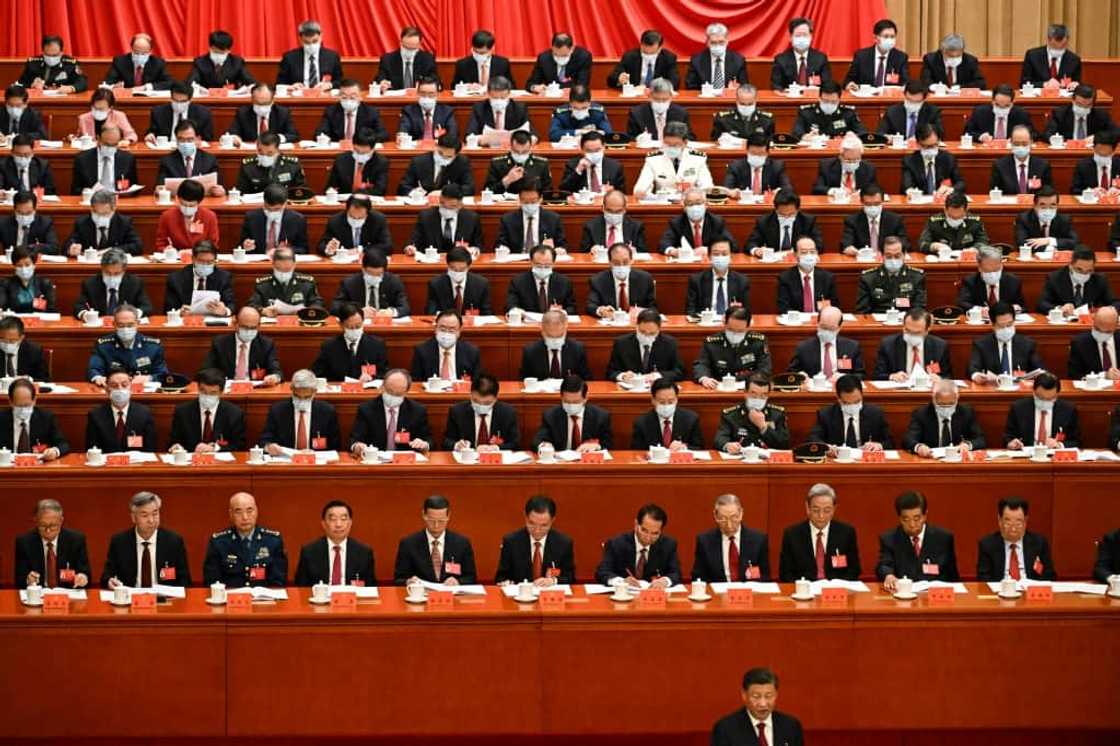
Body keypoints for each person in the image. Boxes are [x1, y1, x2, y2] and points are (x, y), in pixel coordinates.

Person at [100, 491, 191, 588]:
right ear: (133, 518)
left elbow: (185, 580)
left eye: (155, 514)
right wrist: (110, 581)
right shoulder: (119, 542)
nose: (151, 520)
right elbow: (106, 576)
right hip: (130, 599)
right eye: (145, 515)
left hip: (164, 600)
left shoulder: (173, 542)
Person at [876, 491, 959, 591]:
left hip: (935, 598)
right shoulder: (889, 539)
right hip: (902, 597)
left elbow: (952, 576)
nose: (912, 524)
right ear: (899, 518)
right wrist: (888, 575)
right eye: (906, 519)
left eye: (916, 519)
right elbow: (884, 565)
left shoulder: (943, 538)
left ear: (925, 515)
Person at [778, 483, 861, 581]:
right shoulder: (792, 535)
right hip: (804, 591)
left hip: (835, 591)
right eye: (816, 510)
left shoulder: (846, 533)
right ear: (807, 508)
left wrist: (837, 585)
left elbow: (854, 570)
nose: (821, 516)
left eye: (827, 510)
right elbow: (785, 573)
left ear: (834, 509)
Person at [203, 492, 288, 587]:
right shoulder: (219, 543)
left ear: (256, 511)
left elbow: (278, 583)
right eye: (238, 512)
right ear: (231, 514)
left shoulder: (273, 541)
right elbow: (212, 582)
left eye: (249, 510)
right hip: (230, 600)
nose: (245, 517)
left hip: (263, 599)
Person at [392, 495, 477, 585]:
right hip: (421, 596)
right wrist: (408, 581)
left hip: (451, 596)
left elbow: (471, 577)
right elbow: (398, 579)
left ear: (448, 516)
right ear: (424, 515)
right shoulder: (408, 544)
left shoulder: (462, 543)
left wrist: (458, 581)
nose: (436, 526)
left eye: (441, 521)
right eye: (431, 520)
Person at [710, 668, 804, 746]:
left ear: (776, 695)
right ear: (744, 695)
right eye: (756, 696)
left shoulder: (791, 726)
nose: (763, 703)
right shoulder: (725, 729)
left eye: (768, 696)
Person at [349, 368, 432, 455]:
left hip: (404, 462)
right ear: (382, 387)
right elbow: (354, 440)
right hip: (375, 462)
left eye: (398, 394)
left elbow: (428, 440)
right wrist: (357, 446)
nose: (393, 396)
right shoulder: (366, 409)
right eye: (389, 391)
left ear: (406, 392)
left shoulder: (417, 411)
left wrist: (424, 444)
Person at [495, 495, 575, 585]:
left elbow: (570, 577)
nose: (537, 530)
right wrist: (506, 583)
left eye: (544, 525)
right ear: (525, 517)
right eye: (532, 523)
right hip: (520, 597)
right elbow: (501, 577)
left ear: (552, 520)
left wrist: (553, 581)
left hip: (549, 596)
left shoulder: (563, 543)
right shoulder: (511, 541)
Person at [595, 504, 681, 586]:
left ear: (661, 531)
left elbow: (676, 573)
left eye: (655, 533)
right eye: (644, 530)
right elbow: (602, 572)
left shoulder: (668, 545)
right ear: (636, 524)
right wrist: (621, 581)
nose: (648, 537)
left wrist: (665, 581)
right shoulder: (617, 544)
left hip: (653, 597)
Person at [294, 500, 376, 587]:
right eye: (333, 519)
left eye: (343, 519)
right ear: (324, 524)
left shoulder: (364, 552)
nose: (338, 524)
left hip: (352, 599)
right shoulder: (309, 552)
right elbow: (301, 587)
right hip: (321, 599)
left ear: (350, 523)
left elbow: (370, 588)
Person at [691, 493, 769, 582]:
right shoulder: (705, 541)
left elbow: (764, 577)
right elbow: (698, 577)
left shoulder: (758, 540)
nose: (729, 524)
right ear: (715, 516)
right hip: (717, 594)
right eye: (723, 518)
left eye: (734, 518)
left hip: (748, 593)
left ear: (741, 514)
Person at [14, 499, 91, 589]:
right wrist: (28, 579)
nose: (48, 530)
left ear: (61, 521)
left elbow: (85, 573)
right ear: (36, 521)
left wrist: (82, 578)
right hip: (39, 595)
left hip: (67, 595)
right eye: (43, 525)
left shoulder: (76, 540)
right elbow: (19, 580)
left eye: (53, 525)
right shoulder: (24, 542)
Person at [259, 369, 341, 453]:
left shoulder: (327, 412)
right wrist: (269, 447)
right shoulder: (277, 410)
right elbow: (264, 441)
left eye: (306, 397)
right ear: (291, 389)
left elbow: (335, 447)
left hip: (316, 463)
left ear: (314, 392)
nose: (302, 400)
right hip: (286, 462)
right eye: (297, 396)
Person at [976, 497, 1056, 581]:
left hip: (1029, 591)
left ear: (1025, 521)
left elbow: (1050, 575)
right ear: (999, 520)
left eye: (1018, 522)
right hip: (1001, 591)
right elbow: (983, 579)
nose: (1013, 528)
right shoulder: (988, 545)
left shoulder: (1039, 543)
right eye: (1008, 522)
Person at [168, 368, 246, 453]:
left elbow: (239, 447)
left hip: (221, 463)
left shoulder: (234, 413)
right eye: (203, 391)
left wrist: (215, 449)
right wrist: (175, 447)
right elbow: (174, 442)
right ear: (198, 388)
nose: (207, 396)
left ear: (221, 392)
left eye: (213, 393)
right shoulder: (182, 412)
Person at [86, 304, 167, 384]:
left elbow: (162, 374)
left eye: (130, 325)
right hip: (113, 390)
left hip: (142, 392)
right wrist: (97, 377)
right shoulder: (103, 345)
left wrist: (149, 378)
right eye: (121, 325)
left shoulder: (153, 346)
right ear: (114, 324)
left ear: (138, 323)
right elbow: (93, 369)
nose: (125, 329)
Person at [807, 374, 893, 450]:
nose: (853, 406)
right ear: (838, 399)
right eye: (847, 403)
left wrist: (879, 445)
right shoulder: (826, 414)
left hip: (865, 461)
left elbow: (889, 442)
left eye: (857, 402)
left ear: (862, 394)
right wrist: (827, 447)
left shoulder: (875, 413)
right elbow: (813, 439)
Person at [200, 305, 282, 385]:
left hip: (254, 391)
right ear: (235, 323)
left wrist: (274, 377)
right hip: (227, 392)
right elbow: (206, 370)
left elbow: (276, 371)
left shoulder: (266, 344)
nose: (249, 331)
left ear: (259, 326)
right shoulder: (220, 343)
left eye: (253, 328)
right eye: (245, 327)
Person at [530, 375, 612, 451]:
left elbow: (608, 444)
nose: (571, 406)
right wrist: (544, 445)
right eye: (567, 402)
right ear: (561, 397)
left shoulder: (600, 416)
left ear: (585, 398)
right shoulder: (551, 416)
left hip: (587, 463)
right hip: (561, 464)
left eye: (576, 402)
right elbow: (537, 440)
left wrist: (596, 446)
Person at [902, 379, 986, 454]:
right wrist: (919, 447)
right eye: (941, 404)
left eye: (950, 404)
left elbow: (980, 439)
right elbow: (908, 440)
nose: (946, 408)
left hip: (957, 460)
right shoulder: (921, 413)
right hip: (931, 461)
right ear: (934, 398)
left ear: (957, 398)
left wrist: (968, 445)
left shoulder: (966, 412)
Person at [967, 301, 1045, 381]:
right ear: (993, 325)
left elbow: (1040, 370)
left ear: (1014, 321)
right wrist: (976, 376)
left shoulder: (1027, 344)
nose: (1006, 329)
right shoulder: (981, 344)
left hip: (1019, 390)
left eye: (1009, 324)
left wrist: (1041, 375)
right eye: (1001, 326)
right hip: (993, 389)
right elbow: (973, 369)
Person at [312, 302, 389, 382]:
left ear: (363, 322)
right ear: (341, 325)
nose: (355, 330)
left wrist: (372, 378)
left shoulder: (376, 345)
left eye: (358, 326)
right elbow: (317, 374)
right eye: (350, 327)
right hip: (340, 391)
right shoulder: (329, 346)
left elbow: (384, 373)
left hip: (366, 390)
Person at [714, 373, 790, 452]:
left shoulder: (777, 414)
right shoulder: (730, 415)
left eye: (763, 395)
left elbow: (784, 444)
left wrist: (763, 427)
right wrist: (728, 446)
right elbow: (720, 439)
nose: (758, 399)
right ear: (745, 393)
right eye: (754, 394)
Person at [694, 306, 771, 385]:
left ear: (748, 327)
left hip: (748, 387)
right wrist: (704, 378)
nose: (735, 334)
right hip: (718, 387)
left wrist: (749, 382)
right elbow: (701, 364)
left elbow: (765, 369)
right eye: (731, 329)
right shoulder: (712, 342)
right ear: (724, 323)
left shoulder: (758, 342)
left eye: (740, 331)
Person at [83, 369, 157, 451]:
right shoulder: (96, 415)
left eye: (124, 385)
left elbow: (150, 449)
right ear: (107, 390)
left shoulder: (144, 413)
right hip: (106, 462)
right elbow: (92, 449)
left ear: (131, 388)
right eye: (114, 386)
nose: (120, 389)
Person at [606, 308, 685, 383]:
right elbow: (611, 372)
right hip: (631, 389)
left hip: (657, 388)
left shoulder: (669, 343)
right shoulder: (621, 343)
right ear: (636, 326)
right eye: (642, 332)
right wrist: (622, 376)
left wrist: (658, 375)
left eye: (652, 334)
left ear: (659, 329)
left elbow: (679, 372)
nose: (646, 336)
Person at [443, 372, 520, 451]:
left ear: (496, 398)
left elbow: (515, 444)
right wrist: (456, 445)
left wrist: (497, 448)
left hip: (495, 461)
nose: (481, 406)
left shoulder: (507, 413)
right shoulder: (457, 411)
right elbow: (446, 441)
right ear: (471, 395)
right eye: (476, 401)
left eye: (487, 403)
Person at [633, 121, 712, 196]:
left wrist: (695, 194)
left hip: (689, 201)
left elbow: (707, 186)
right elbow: (641, 186)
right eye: (667, 144)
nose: (671, 148)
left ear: (685, 143)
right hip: (663, 204)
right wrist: (641, 192)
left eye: (676, 145)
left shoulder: (697, 158)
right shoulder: (653, 159)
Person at [872, 307, 953, 380]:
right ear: (903, 326)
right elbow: (877, 375)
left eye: (917, 333)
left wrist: (939, 378)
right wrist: (892, 376)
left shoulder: (939, 346)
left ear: (928, 330)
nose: (911, 336)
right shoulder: (888, 345)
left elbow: (948, 376)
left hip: (928, 392)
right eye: (908, 331)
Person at [1002, 373, 1080, 449]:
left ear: (1057, 395)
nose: (1044, 402)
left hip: (1054, 456)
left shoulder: (1068, 410)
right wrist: (1011, 443)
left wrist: (1059, 445)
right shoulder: (1018, 408)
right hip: (1026, 456)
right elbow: (1008, 437)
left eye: (1049, 399)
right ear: (1033, 391)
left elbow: (1076, 441)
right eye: (1040, 398)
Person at [788, 305, 864, 380]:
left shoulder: (851, 347)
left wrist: (845, 378)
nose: (827, 331)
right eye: (823, 327)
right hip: (815, 389)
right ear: (817, 324)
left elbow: (860, 374)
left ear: (839, 328)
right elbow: (791, 373)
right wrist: (800, 376)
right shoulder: (804, 348)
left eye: (831, 328)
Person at [331, 248, 410, 318]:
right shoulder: (350, 283)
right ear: (363, 269)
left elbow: (405, 308)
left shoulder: (394, 281)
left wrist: (391, 312)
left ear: (384, 271)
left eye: (379, 274)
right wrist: (357, 312)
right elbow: (335, 308)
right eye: (370, 274)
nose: (374, 277)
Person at [73, 247, 151, 318]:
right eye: (107, 273)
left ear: (124, 271)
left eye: (116, 273)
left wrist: (132, 315)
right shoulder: (90, 284)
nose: (112, 277)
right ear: (102, 268)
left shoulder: (134, 283)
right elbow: (78, 307)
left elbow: (146, 307)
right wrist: (86, 315)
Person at [163, 240, 233, 317]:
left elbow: (231, 305)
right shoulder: (176, 278)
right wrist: (179, 312)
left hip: (213, 322)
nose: (205, 265)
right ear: (193, 259)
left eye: (210, 262)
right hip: (187, 323)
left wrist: (224, 311)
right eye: (201, 261)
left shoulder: (223, 277)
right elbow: (169, 308)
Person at [405, 186, 484, 254]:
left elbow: (479, 246)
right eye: (442, 204)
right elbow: (415, 241)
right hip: (432, 264)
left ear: (460, 204)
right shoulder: (426, 217)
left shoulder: (471, 218)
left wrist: (475, 249)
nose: (446, 209)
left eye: (452, 206)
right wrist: (411, 248)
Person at [0, 378, 67, 458]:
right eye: (19, 406)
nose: (22, 410)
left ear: (34, 401)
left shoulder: (46, 418)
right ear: (10, 402)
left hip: (38, 466)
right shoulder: (2, 419)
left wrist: (55, 451)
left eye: (26, 405)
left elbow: (63, 445)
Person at [1038, 245, 1116, 314]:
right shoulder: (1055, 278)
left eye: (1089, 271)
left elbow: (1116, 303)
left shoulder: (1099, 280)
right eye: (1079, 270)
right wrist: (1060, 309)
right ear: (1070, 265)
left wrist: (1104, 311)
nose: (1083, 274)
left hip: (1089, 324)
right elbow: (1042, 304)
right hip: (1065, 324)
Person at [745, 189, 824, 257]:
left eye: (791, 214)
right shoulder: (764, 221)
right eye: (782, 215)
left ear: (797, 210)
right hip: (774, 264)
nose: (786, 218)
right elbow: (750, 244)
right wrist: (756, 250)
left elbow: (819, 245)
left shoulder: (807, 221)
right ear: (776, 210)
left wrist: (803, 252)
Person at [629, 379, 704, 450]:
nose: (666, 406)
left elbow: (699, 447)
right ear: (653, 400)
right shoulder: (641, 423)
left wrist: (684, 447)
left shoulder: (691, 419)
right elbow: (636, 452)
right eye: (662, 402)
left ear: (677, 399)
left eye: (671, 402)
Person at [246, 247, 324, 315]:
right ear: (273, 265)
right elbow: (251, 305)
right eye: (279, 269)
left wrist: (307, 311)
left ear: (294, 265)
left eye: (287, 270)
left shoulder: (306, 283)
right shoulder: (263, 284)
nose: (283, 273)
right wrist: (263, 311)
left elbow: (317, 303)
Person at [586, 242, 657, 317]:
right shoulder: (598, 280)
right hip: (611, 325)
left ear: (631, 260)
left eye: (625, 262)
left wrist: (642, 312)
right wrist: (601, 310)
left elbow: (653, 308)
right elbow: (591, 306)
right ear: (610, 262)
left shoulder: (645, 279)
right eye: (616, 263)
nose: (621, 266)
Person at [854, 237, 923, 312]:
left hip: (906, 321)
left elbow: (919, 310)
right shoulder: (868, 278)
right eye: (889, 256)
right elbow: (862, 311)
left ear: (904, 255)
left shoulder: (917, 277)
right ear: (882, 256)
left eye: (897, 256)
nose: (893, 260)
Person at [659, 188, 736, 255]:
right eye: (690, 204)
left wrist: (708, 250)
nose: (695, 207)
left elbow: (733, 246)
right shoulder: (677, 223)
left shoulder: (716, 222)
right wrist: (673, 251)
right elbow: (663, 244)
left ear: (705, 205)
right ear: (684, 207)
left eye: (698, 203)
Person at [409, 310, 481, 381]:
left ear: (459, 331)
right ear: (435, 329)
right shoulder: (422, 351)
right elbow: (416, 382)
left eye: (451, 330)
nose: (446, 333)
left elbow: (476, 384)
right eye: (442, 329)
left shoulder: (471, 352)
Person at [518, 310, 591, 381]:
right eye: (550, 336)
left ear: (565, 330)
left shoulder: (577, 349)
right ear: (542, 332)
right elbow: (523, 381)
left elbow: (586, 380)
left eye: (559, 336)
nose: (555, 341)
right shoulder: (530, 351)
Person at [495, 179, 565, 253]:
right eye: (525, 201)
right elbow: (500, 244)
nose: (529, 205)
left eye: (533, 201)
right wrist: (503, 249)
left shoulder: (553, 219)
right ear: (519, 199)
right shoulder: (508, 220)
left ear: (540, 199)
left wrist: (559, 250)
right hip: (517, 261)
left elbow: (561, 245)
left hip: (542, 260)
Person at [157, 120, 224, 195]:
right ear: (176, 140)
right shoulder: (167, 161)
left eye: (190, 139)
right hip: (177, 202)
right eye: (181, 139)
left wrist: (219, 191)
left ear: (198, 139)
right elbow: (160, 187)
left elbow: (219, 187)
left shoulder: (210, 160)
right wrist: (159, 190)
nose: (185, 143)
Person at [685, 238, 749, 316]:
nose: (720, 257)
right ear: (709, 256)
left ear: (731, 256)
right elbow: (690, 312)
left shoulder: (741, 281)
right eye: (716, 254)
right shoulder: (696, 280)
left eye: (724, 254)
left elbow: (745, 313)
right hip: (705, 325)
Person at [775, 237, 840, 314]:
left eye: (812, 252)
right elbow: (784, 307)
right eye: (804, 252)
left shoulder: (827, 278)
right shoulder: (785, 278)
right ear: (795, 255)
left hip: (820, 321)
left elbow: (834, 306)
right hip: (796, 322)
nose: (809, 256)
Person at [505, 244, 576, 314]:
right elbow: (511, 306)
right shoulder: (518, 282)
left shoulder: (563, 282)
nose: (543, 268)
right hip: (529, 323)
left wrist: (562, 312)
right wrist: (517, 311)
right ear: (531, 262)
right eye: (538, 265)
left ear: (553, 263)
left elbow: (572, 308)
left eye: (547, 266)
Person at [397, 134, 475, 196]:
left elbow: (469, 188)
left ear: (456, 155)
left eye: (448, 157)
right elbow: (404, 187)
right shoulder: (418, 161)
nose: (443, 158)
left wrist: (444, 193)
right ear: (436, 146)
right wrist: (416, 194)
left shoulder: (462, 162)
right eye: (440, 153)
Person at [70, 123, 138, 193]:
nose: (110, 148)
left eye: (114, 144)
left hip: (119, 201)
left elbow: (134, 189)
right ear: (98, 139)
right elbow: (75, 190)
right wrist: (88, 192)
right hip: (92, 201)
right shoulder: (82, 159)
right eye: (107, 144)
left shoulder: (127, 159)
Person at [423, 246, 493, 315]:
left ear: (469, 267)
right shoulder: (436, 284)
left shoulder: (481, 284)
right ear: (447, 266)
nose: (457, 272)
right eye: (453, 269)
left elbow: (486, 314)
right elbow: (431, 313)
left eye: (462, 269)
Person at [155, 180, 220, 252]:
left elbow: (213, 244)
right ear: (178, 199)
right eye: (184, 204)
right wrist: (166, 249)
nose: (187, 208)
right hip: (175, 258)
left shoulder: (209, 216)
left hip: (200, 258)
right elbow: (161, 243)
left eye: (191, 205)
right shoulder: (167, 216)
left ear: (199, 202)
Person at [466, 75, 538, 140]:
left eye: (503, 98)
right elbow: (469, 135)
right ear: (487, 94)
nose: (499, 101)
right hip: (487, 148)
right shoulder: (479, 108)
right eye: (495, 97)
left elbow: (533, 135)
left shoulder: (519, 108)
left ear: (510, 94)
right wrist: (481, 140)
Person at [314, 79, 388, 143]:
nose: (348, 100)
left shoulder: (370, 112)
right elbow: (319, 133)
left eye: (352, 97)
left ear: (360, 97)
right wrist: (323, 139)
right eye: (344, 97)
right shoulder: (331, 111)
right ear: (339, 97)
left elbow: (383, 135)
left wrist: (364, 141)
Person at [844, 186, 912, 256]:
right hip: (863, 261)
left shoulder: (895, 220)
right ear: (862, 202)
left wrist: (890, 251)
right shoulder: (852, 220)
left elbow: (905, 243)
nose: (873, 207)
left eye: (876, 204)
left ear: (882, 201)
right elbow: (846, 245)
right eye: (868, 204)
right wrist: (855, 251)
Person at [317, 195, 392, 256]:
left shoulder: (378, 220)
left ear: (368, 212)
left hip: (368, 260)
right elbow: (321, 245)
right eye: (352, 216)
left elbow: (387, 246)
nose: (356, 218)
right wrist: (328, 249)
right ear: (347, 209)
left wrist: (360, 250)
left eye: (360, 217)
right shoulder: (336, 221)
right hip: (343, 263)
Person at [956, 244, 1025, 312]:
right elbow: (962, 303)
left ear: (1002, 265)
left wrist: (1016, 308)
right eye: (988, 271)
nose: (993, 274)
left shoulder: (1013, 281)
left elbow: (1023, 307)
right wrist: (979, 310)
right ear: (979, 268)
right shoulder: (970, 281)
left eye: (996, 270)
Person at [277, 19, 342, 89]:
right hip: (298, 97)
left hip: (324, 96)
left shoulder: (332, 57)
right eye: (307, 42)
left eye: (315, 41)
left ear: (321, 36)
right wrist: (290, 87)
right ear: (300, 39)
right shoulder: (289, 58)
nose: (311, 45)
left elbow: (339, 81)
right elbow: (279, 84)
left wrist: (329, 85)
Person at [844, 19, 908, 89]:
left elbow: (905, 82)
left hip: (890, 98)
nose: (889, 40)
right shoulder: (861, 56)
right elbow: (848, 80)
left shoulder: (900, 57)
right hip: (866, 98)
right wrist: (850, 84)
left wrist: (904, 87)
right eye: (886, 36)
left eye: (892, 37)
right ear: (875, 38)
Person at [917, 190, 988, 253]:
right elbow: (922, 244)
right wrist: (935, 246)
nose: (955, 219)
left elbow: (983, 241)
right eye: (951, 216)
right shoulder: (934, 222)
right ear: (945, 210)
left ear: (966, 210)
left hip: (967, 260)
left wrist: (974, 249)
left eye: (960, 217)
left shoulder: (974, 221)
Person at [900, 125, 962, 197]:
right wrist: (910, 192)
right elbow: (906, 185)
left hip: (941, 201)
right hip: (919, 202)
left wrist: (950, 189)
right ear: (918, 143)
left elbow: (960, 183)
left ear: (939, 141)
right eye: (926, 146)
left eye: (933, 145)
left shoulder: (948, 159)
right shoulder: (909, 160)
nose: (930, 150)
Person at [771, 16, 831, 90]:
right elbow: (776, 86)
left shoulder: (821, 59)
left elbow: (827, 85)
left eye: (805, 35)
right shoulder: (781, 60)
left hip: (814, 100)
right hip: (790, 100)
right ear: (790, 37)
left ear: (811, 37)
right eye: (798, 35)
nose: (801, 39)